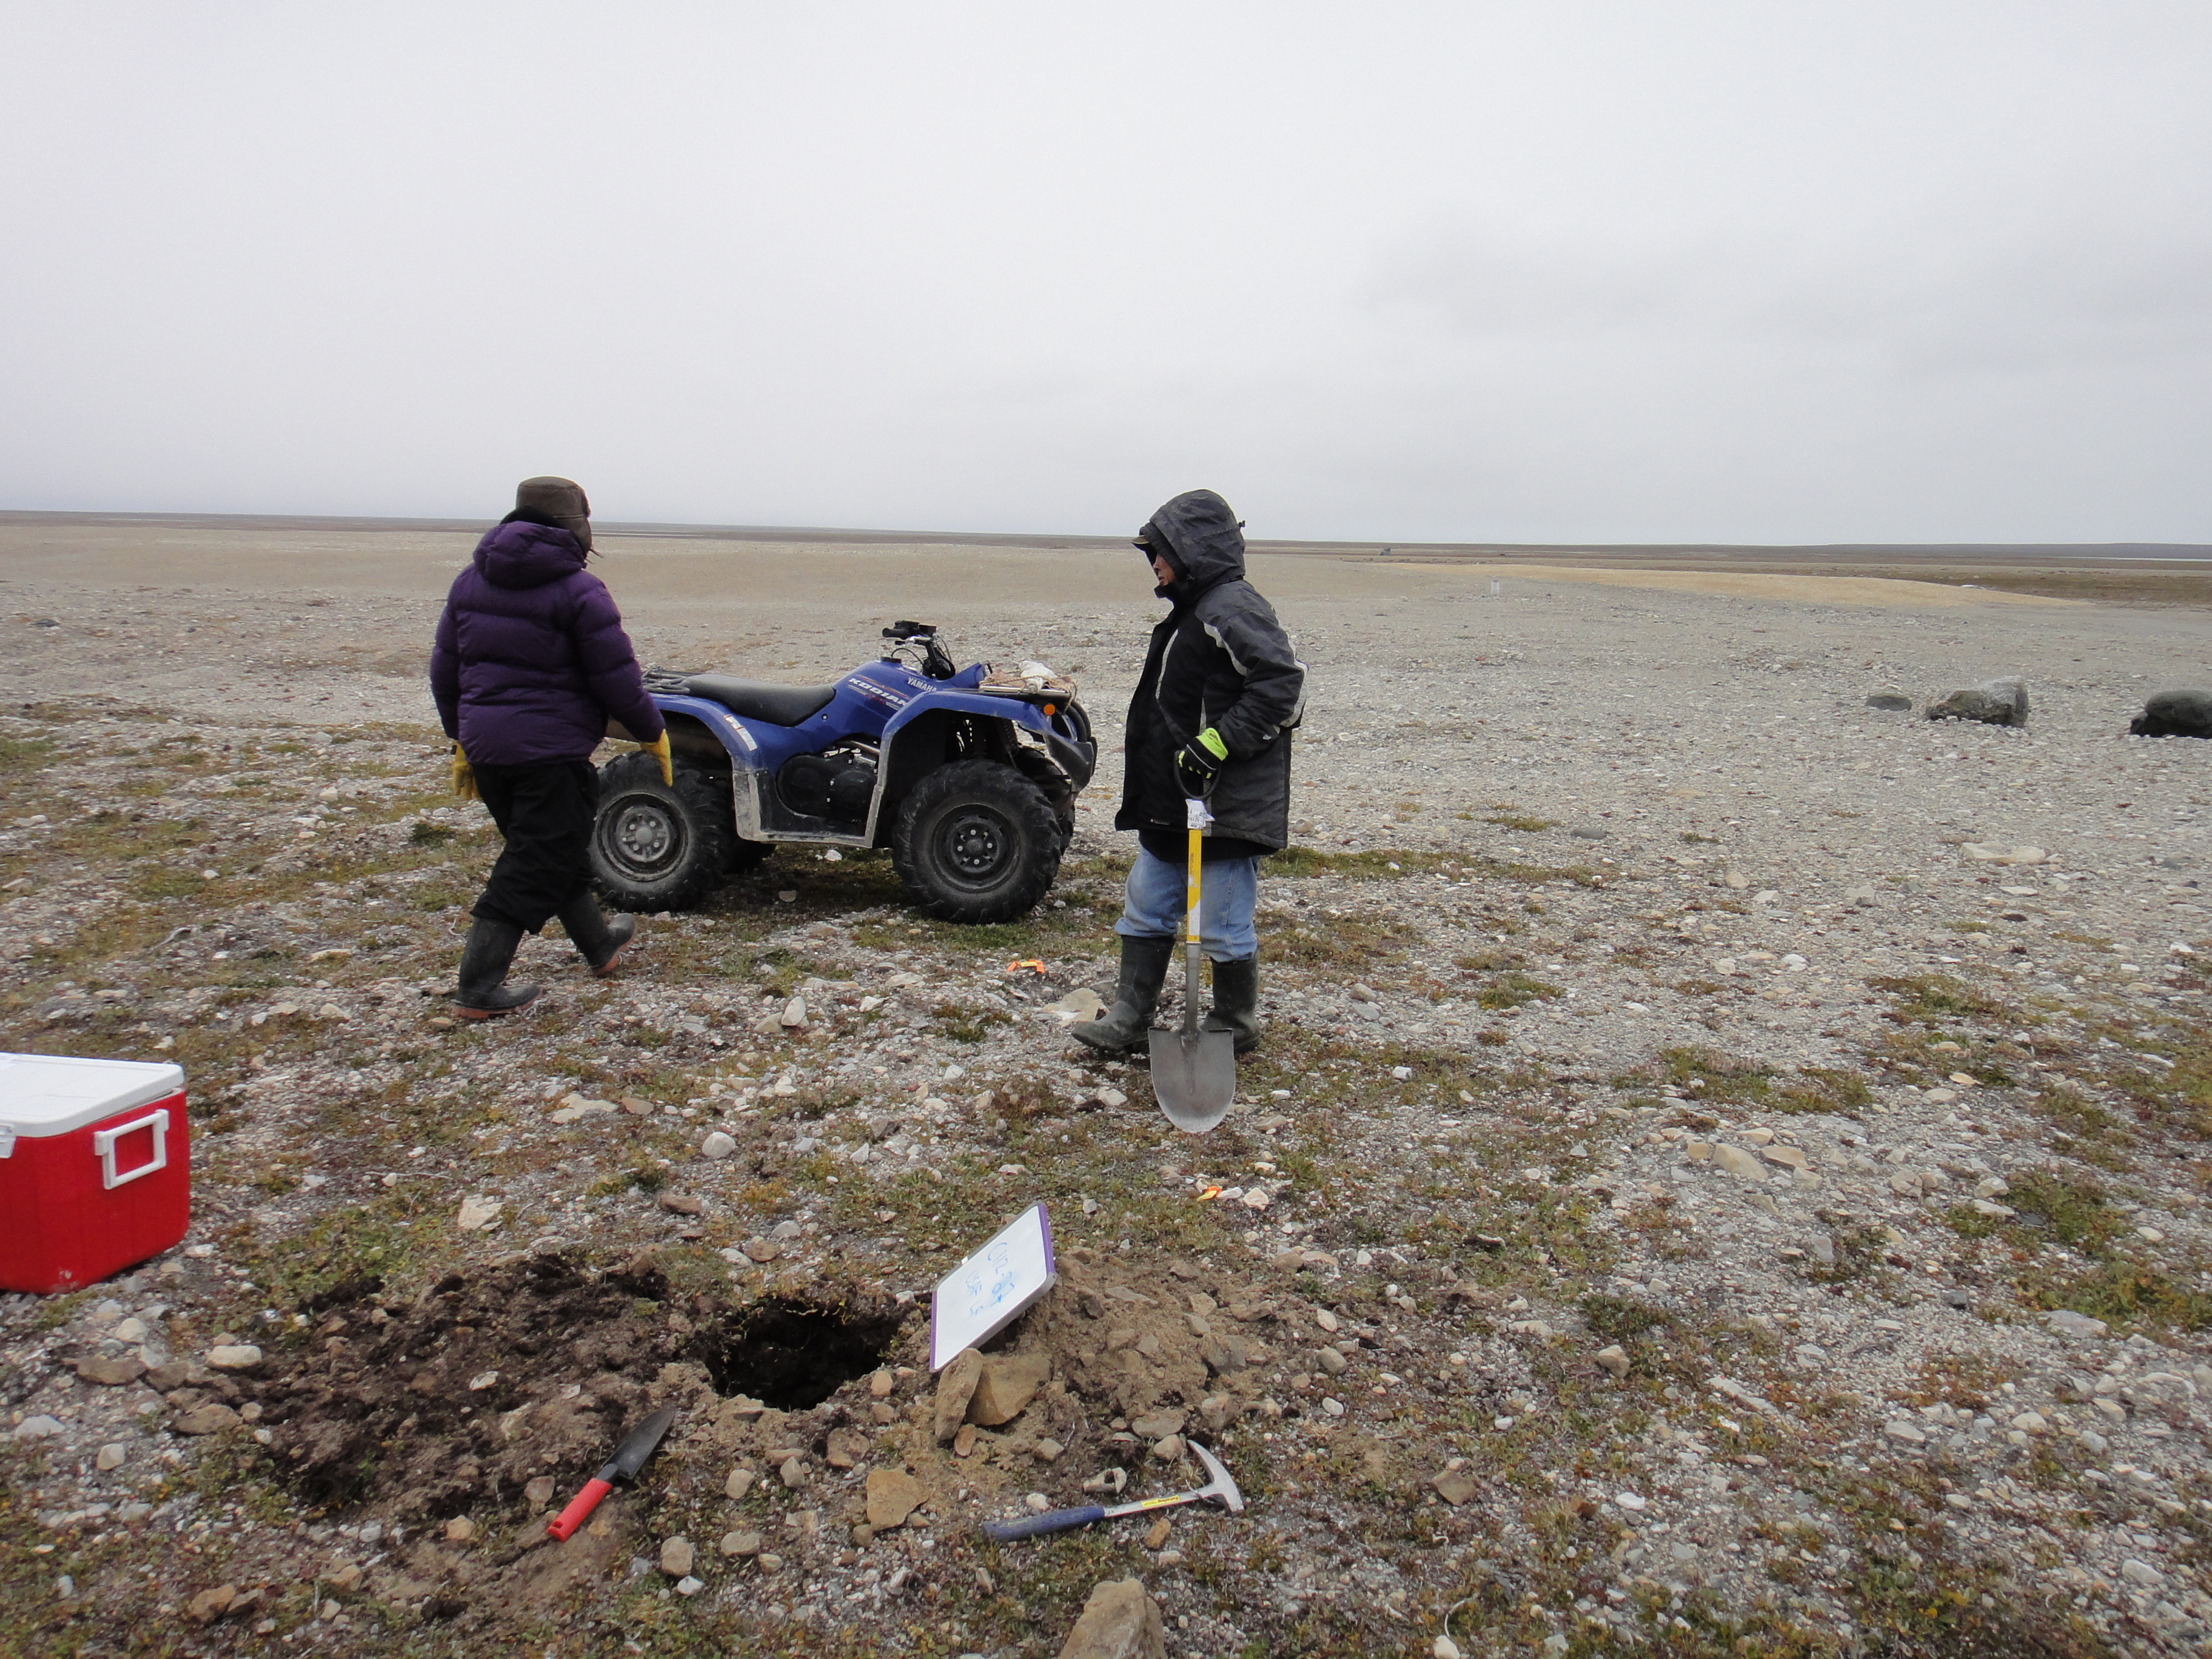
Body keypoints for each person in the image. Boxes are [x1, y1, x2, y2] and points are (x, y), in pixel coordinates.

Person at [429, 476, 671, 1018]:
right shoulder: (579, 590)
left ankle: (600, 945)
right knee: (535, 863)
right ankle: (478, 986)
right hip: (550, 755)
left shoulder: (470, 582)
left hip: (490, 753)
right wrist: (651, 731)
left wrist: (461, 737)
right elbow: (616, 678)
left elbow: (445, 671)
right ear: (575, 525)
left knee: (550, 851)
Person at [1074, 488, 1304, 1055]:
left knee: (1222, 925)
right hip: (1171, 801)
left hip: (1221, 807)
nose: (1154, 561)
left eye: (1161, 550)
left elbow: (1282, 684)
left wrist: (1219, 742)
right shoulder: (1193, 610)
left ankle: (1232, 1025)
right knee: (1146, 908)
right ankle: (1130, 1017)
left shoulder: (1232, 607)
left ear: (1192, 550)